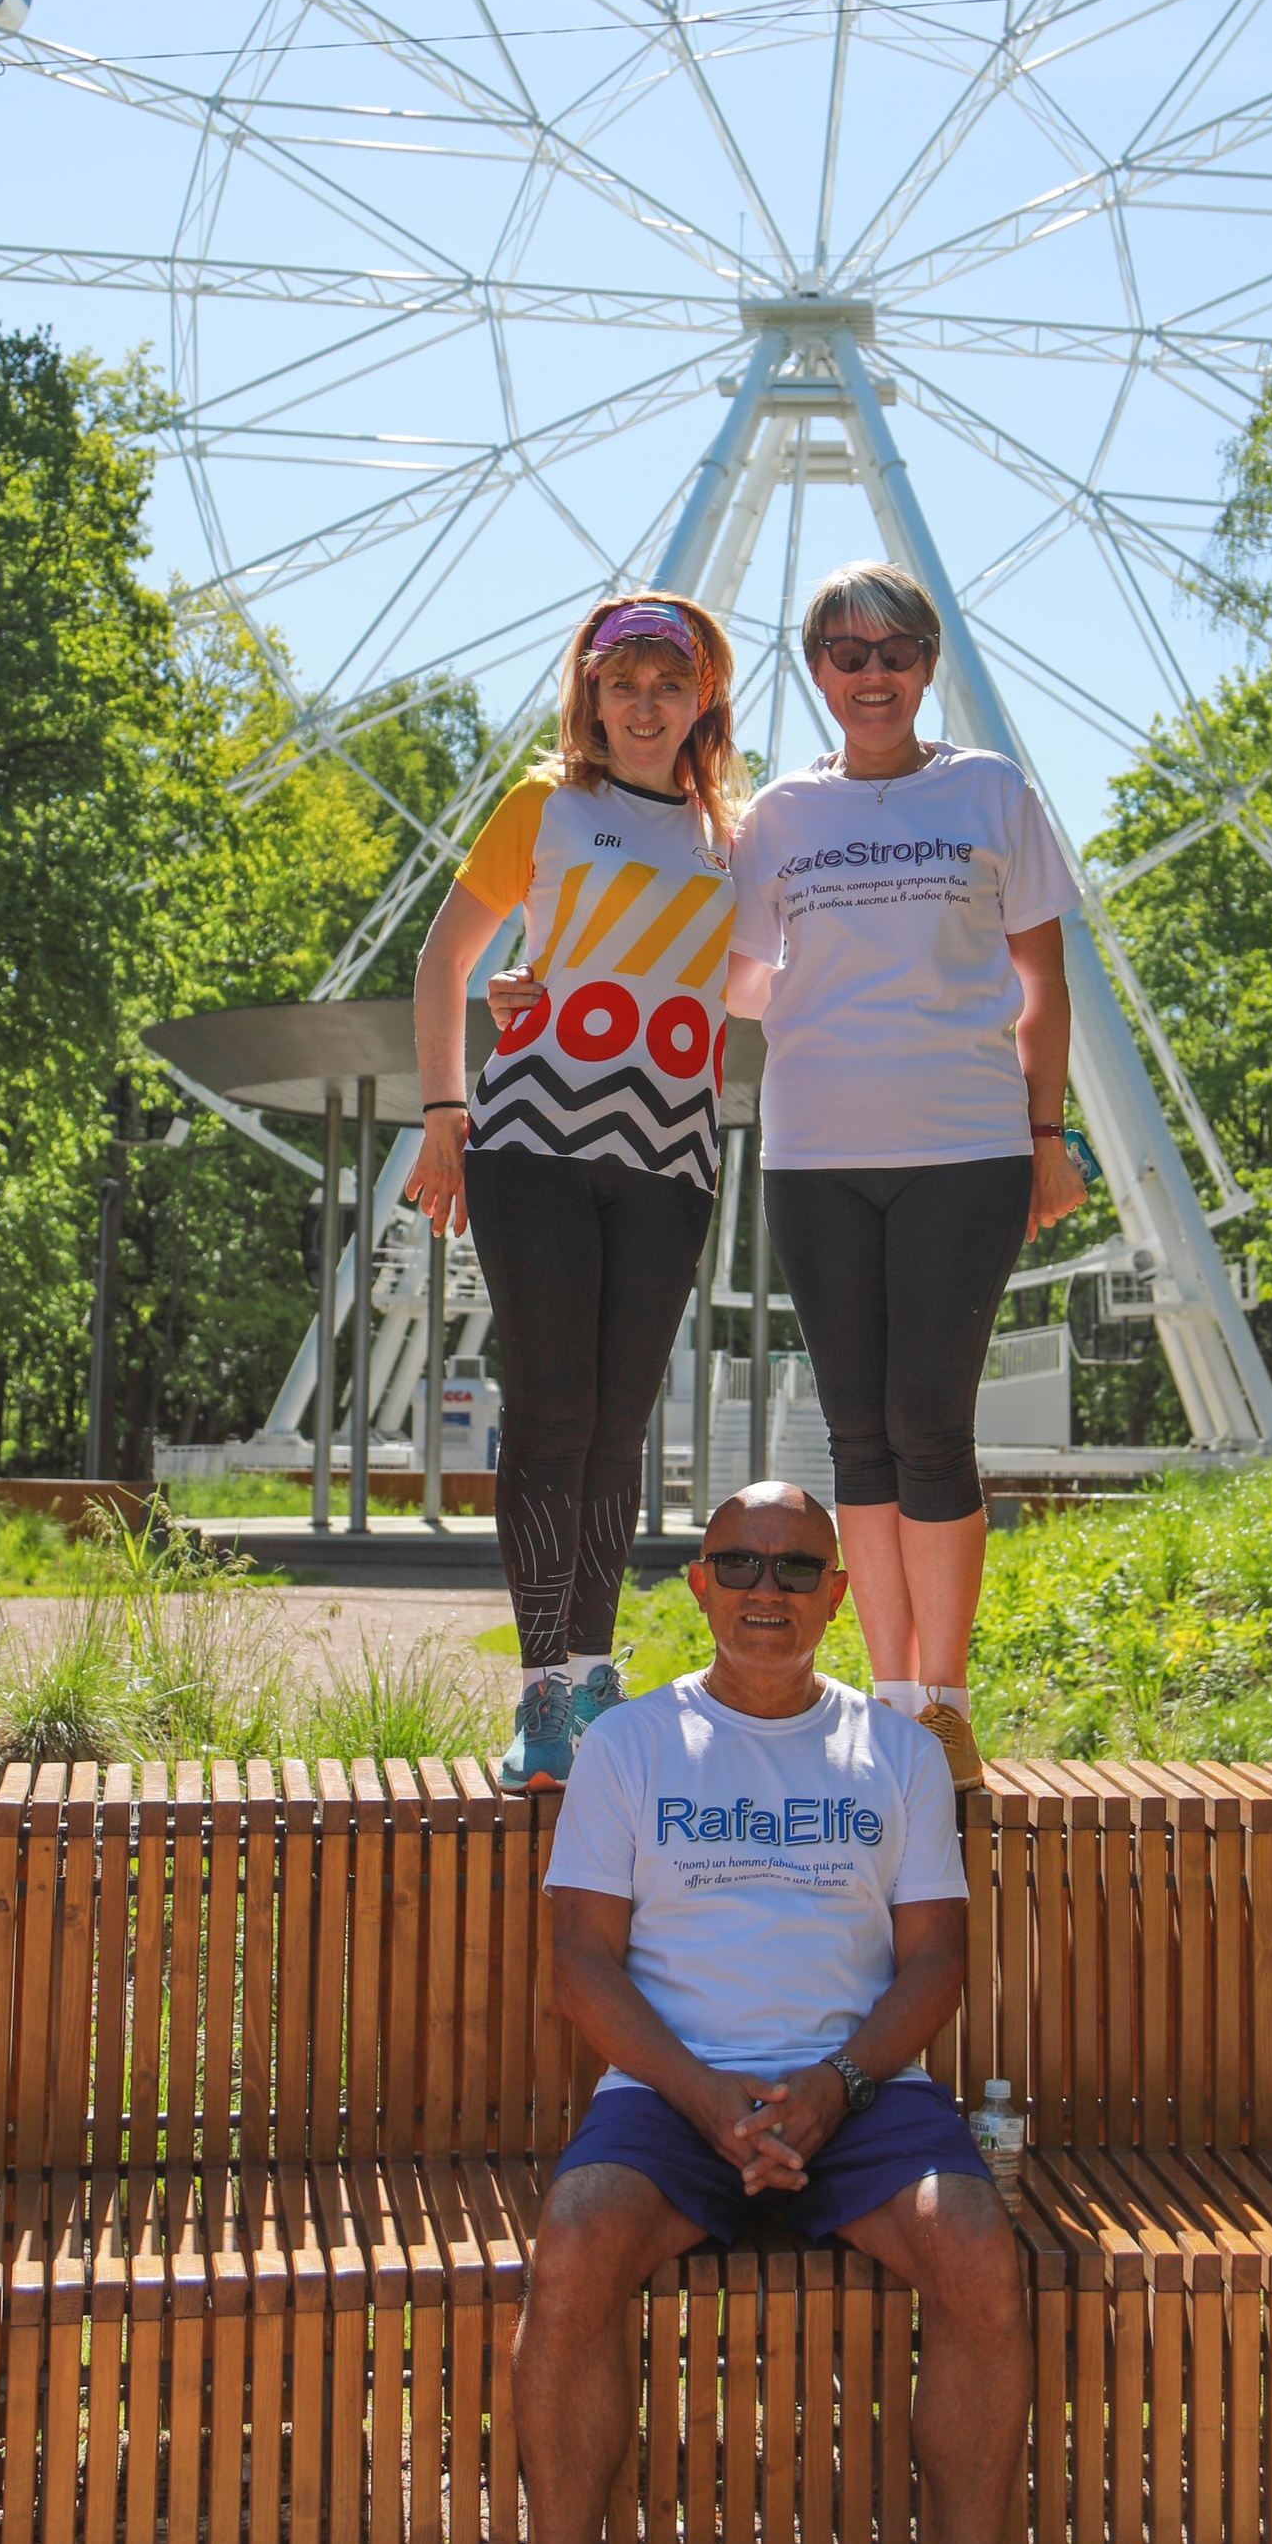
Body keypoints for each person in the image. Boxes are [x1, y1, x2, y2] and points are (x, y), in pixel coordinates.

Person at [458, 1477, 1089, 2544]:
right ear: (696, 1584)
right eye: (738, 1562)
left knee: (979, 2252)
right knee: (573, 2250)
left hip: (856, 2096)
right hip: (670, 2094)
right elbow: (579, 1962)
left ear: (839, 1597)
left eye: (797, 1569)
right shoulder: (631, 1746)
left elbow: (934, 1968)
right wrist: (701, 2096)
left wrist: (836, 2085)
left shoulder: (898, 1756)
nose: (766, 1590)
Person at [723, 561, 1090, 1788]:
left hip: (965, 1141)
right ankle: (885, 1700)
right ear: (815, 671)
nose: (869, 673)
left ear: (928, 665)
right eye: (844, 652)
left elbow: (1041, 986)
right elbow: (733, 976)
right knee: (856, 1435)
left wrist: (1048, 1137)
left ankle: (945, 1699)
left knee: (932, 1424)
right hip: (817, 1147)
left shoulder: (991, 792)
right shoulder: (777, 814)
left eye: (893, 651)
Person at [407, 591, 740, 1790]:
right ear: (589, 697)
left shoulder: (730, 840)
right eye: (622, 683)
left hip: (673, 1151)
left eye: (669, 683)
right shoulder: (545, 807)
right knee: (550, 1408)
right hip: (533, 1137)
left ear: (703, 697)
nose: (644, 704)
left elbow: (751, 985)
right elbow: (447, 955)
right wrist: (446, 1113)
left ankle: (598, 1674)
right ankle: (543, 1690)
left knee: (619, 1426)